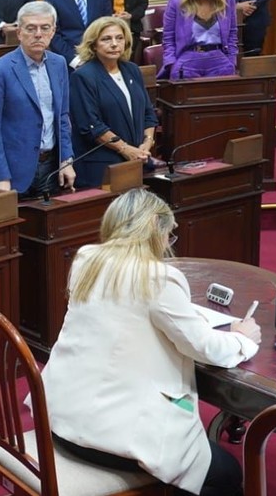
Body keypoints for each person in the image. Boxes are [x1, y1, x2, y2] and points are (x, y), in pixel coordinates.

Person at [42, 188, 259, 496]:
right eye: (169, 235)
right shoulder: (158, 278)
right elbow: (205, 348)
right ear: (155, 231)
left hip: (60, 419)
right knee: (228, 475)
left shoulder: (86, 260)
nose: (169, 243)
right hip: (113, 441)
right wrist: (242, 338)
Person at [0, 1, 75, 198]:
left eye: (45, 28)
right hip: (12, 172)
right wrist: (0, 175)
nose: (38, 34)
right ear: (19, 33)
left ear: (53, 31)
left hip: (51, 168)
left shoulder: (59, 64)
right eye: (31, 28)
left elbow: (63, 117)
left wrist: (66, 159)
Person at [69, 17, 158, 189]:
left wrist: (146, 144)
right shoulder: (83, 76)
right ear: (93, 45)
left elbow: (148, 113)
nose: (114, 44)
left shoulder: (132, 70)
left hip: (138, 159)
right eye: (106, 39)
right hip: (103, 165)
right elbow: (91, 126)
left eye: (119, 38)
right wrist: (125, 149)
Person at [161, 0, 239, 80]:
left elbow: (232, 32)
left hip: (219, 60)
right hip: (187, 60)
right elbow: (168, 39)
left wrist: (231, 60)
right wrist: (171, 64)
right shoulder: (177, 3)